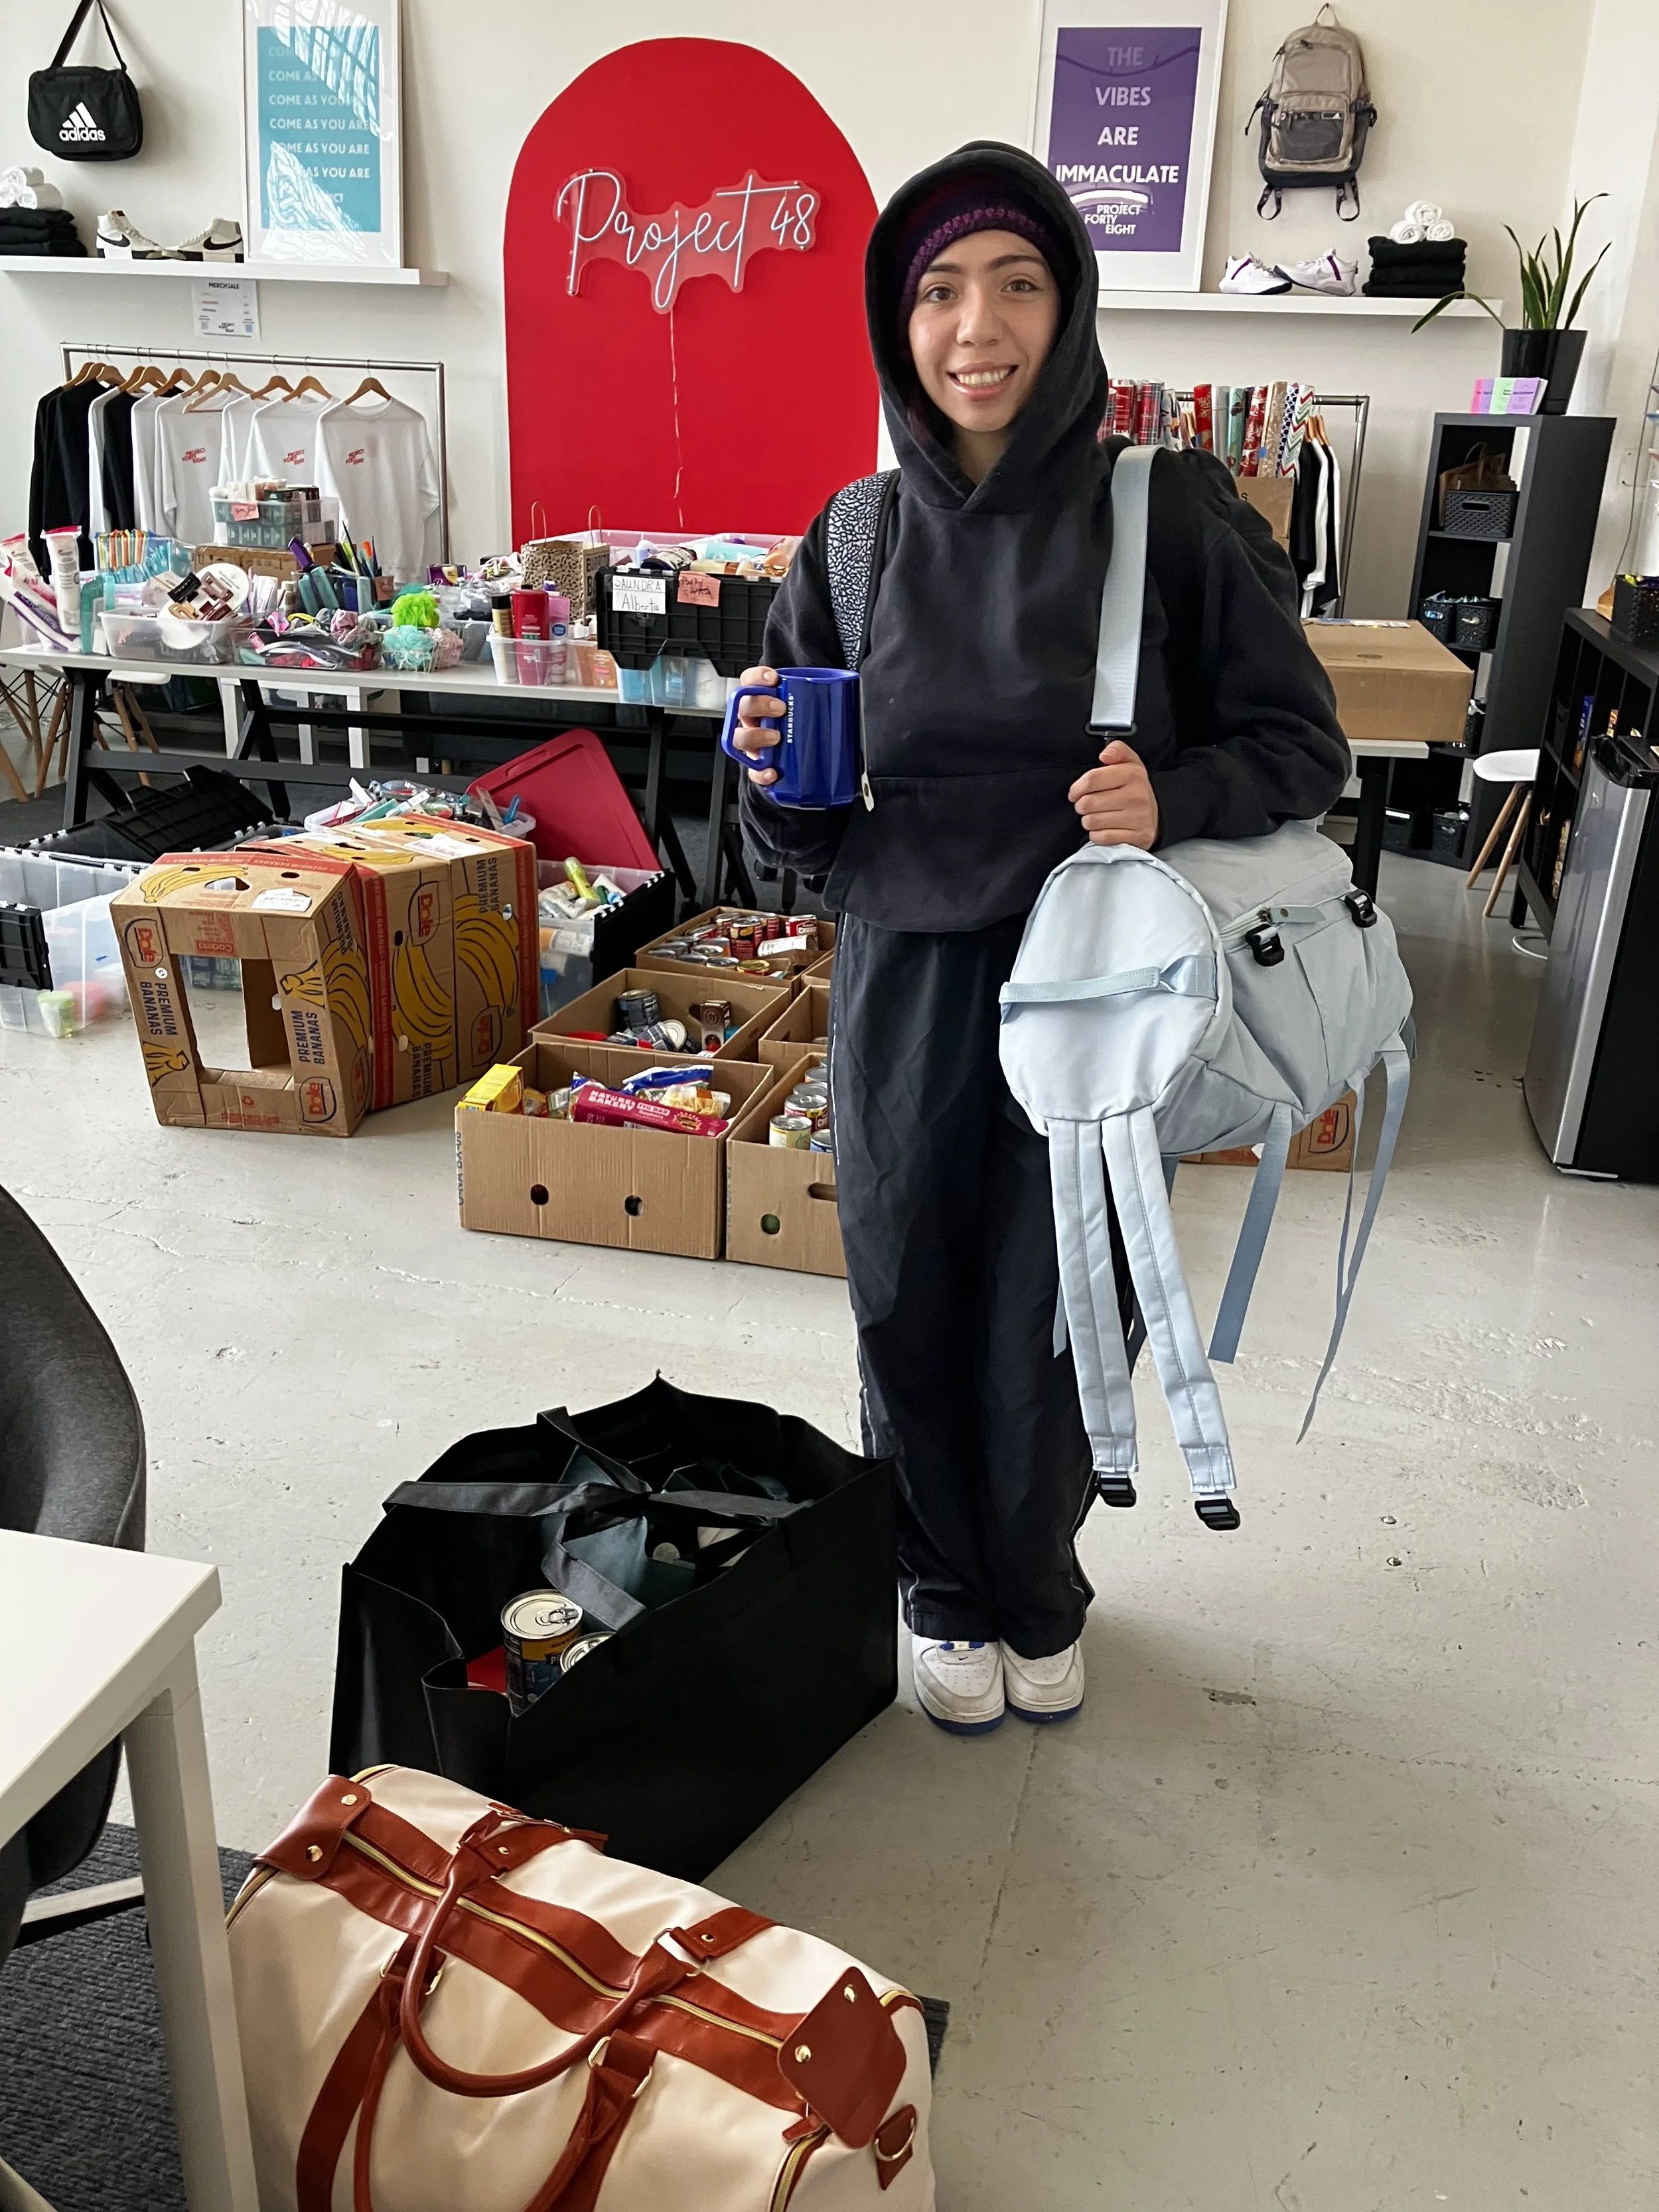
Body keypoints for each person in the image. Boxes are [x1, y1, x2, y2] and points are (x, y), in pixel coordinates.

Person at [734, 142, 1348, 1736]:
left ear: (1068, 307)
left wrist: (1175, 787)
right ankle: (942, 1580)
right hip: (907, 975)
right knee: (908, 1284)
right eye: (936, 290)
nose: (975, 325)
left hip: (1105, 974)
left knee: (1068, 1291)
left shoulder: (1165, 507)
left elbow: (1301, 750)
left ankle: (1036, 1577)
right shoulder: (854, 538)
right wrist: (766, 779)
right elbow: (793, 844)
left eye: (1015, 281)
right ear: (896, 324)